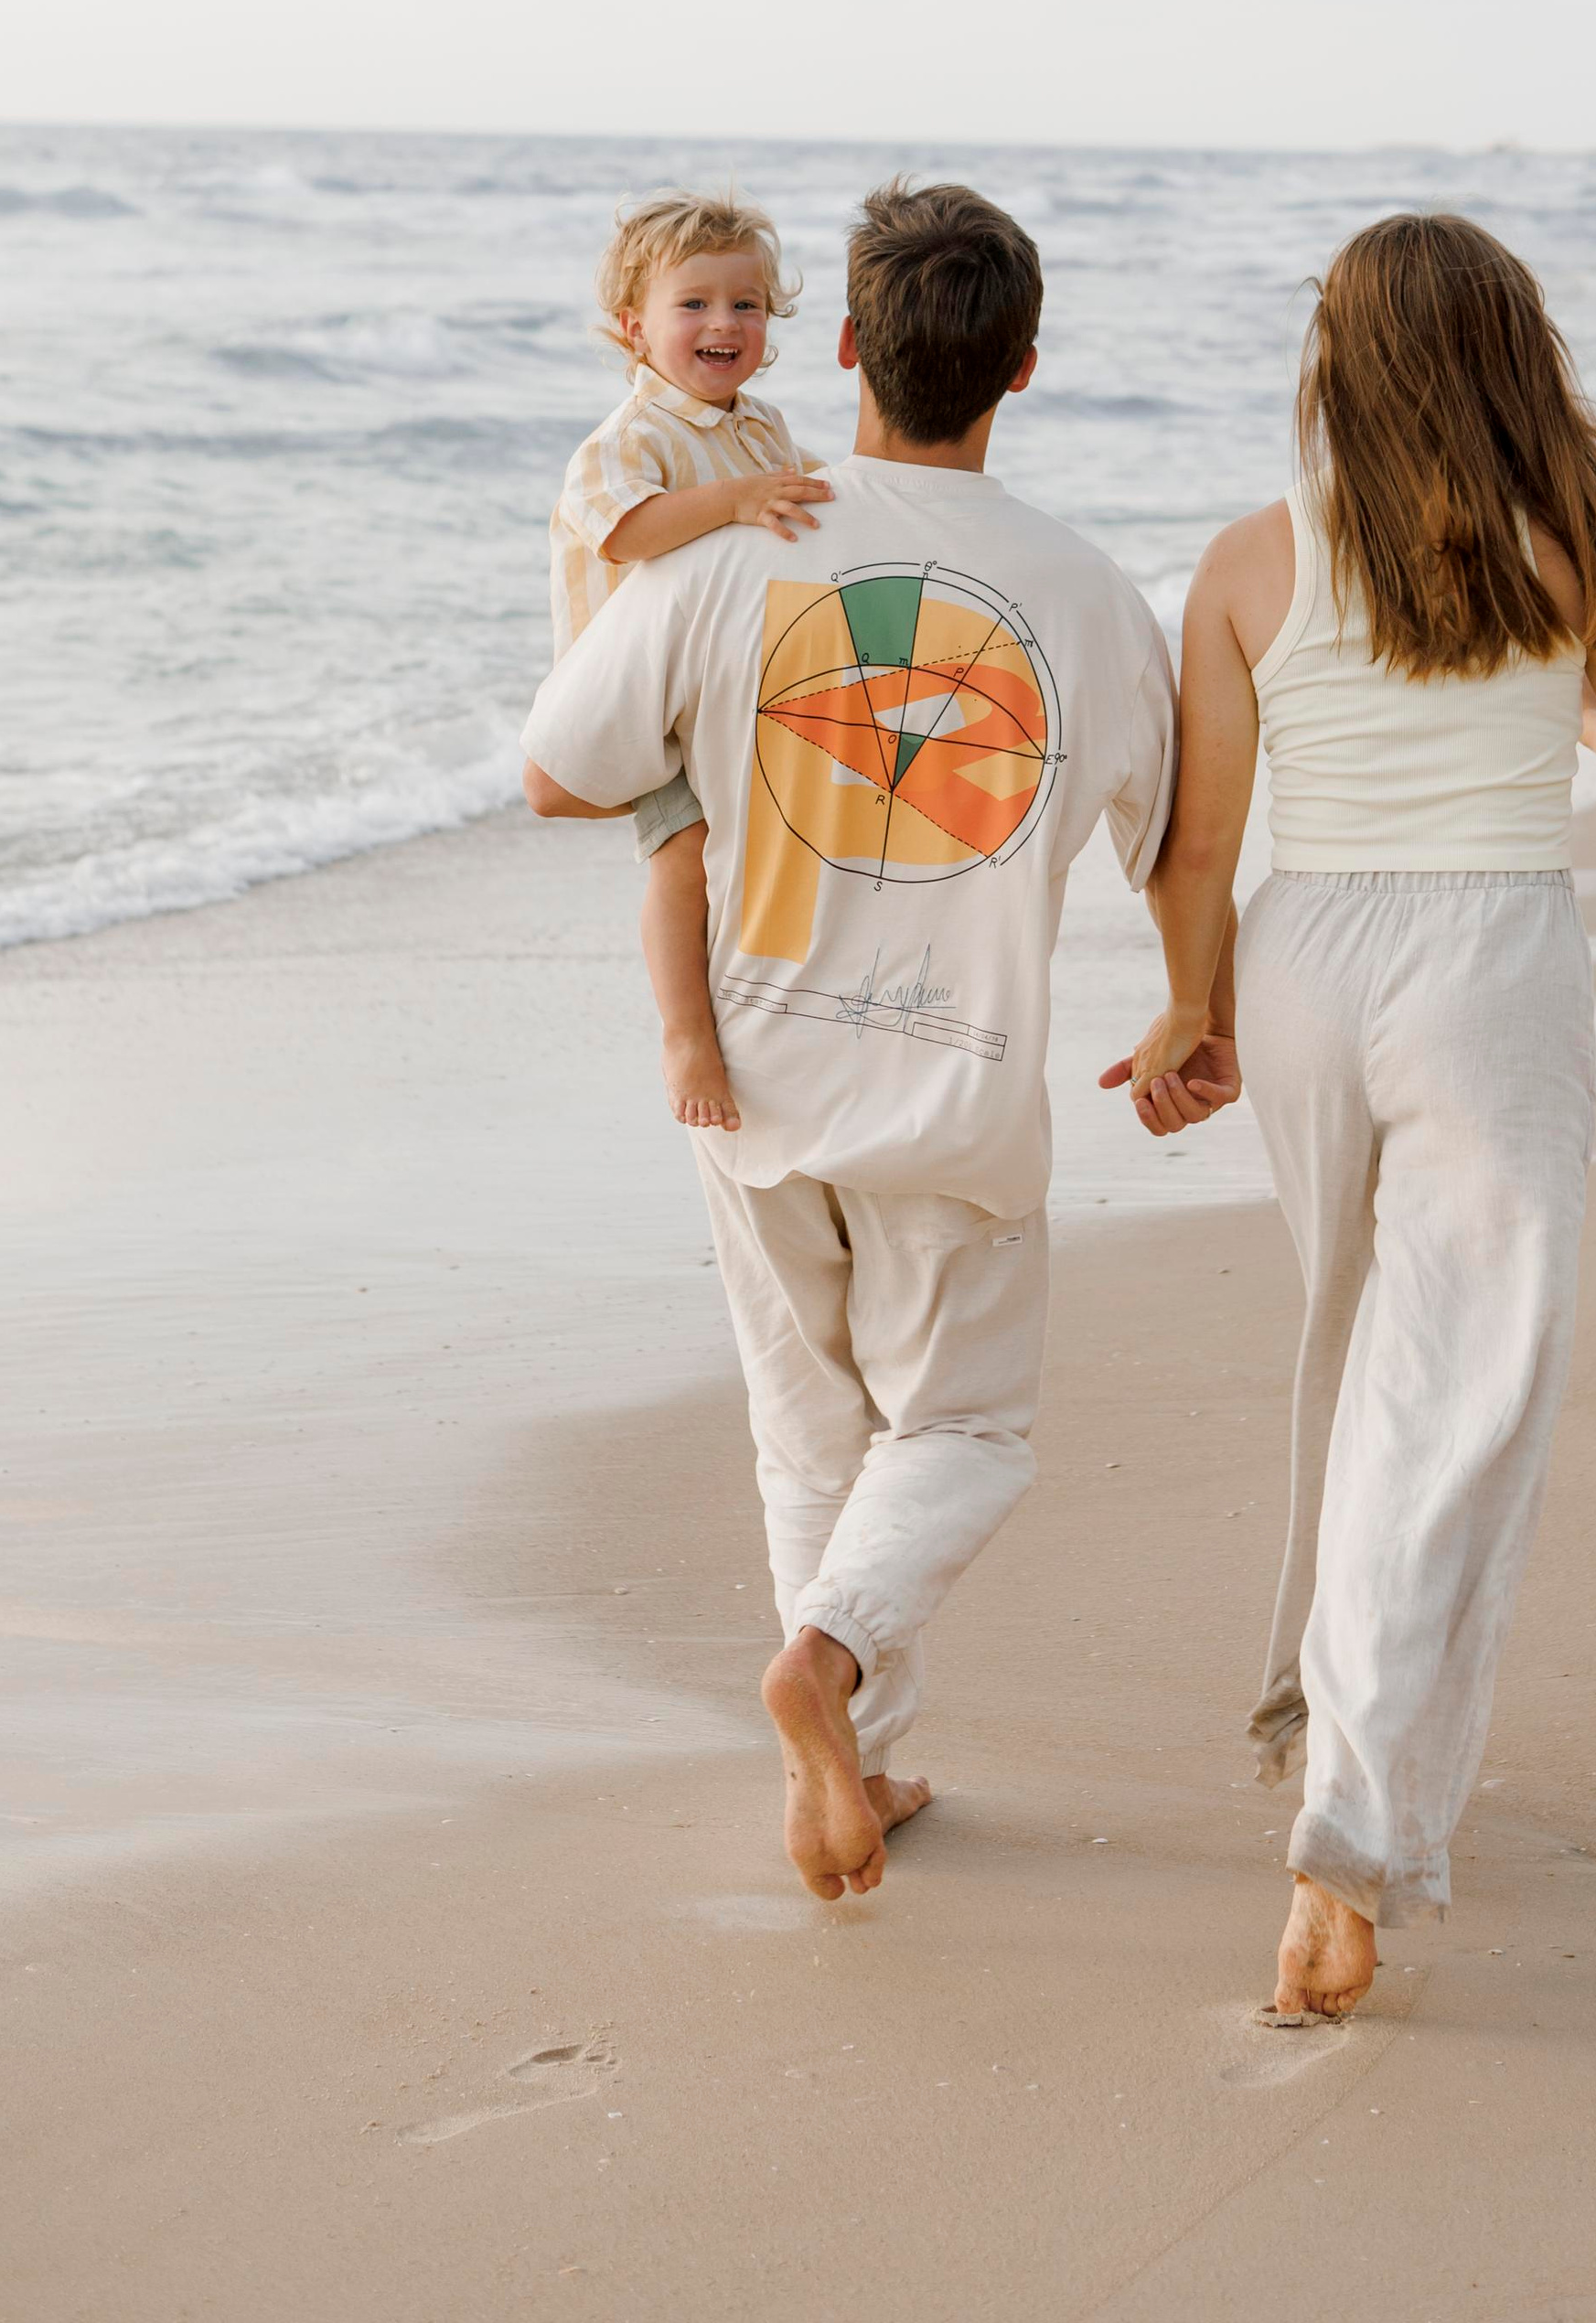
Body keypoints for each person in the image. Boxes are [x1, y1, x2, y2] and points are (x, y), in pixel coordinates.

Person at [523, 180, 1179, 1901]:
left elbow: (554, 773)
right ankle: (835, 1673)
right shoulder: (1097, 598)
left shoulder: (738, 546)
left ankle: (860, 1754)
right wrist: (1204, 1009)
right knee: (959, 1433)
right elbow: (1171, 834)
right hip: (954, 1095)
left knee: (810, 1434)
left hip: (747, 1073)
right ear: (1021, 368)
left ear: (836, 347)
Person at [1117, 211, 1596, 2019]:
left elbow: (1195, 843)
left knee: (1352, 1345)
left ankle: (1326, 1709)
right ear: (1515, 359)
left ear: (1333, 361)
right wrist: (1555, 688)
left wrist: (1183, 1014)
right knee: (1457, 1393)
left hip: (1305, 955)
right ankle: (1348, 1824)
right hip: (1491, 962)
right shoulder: (1575, 545)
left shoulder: (1246, 561)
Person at [548, 188, 832, 1131]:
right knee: (682, 853)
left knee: (777, 845)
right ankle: (684, 1033)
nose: (723, 322)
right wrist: (739, 500)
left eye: (745, 304)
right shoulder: (625, 443)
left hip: (739, 693)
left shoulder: (762, 428)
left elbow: (799, 518)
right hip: (644, 703)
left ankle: (777, 988)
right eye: (694, 304)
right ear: (633, 329)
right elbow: (630, 533)